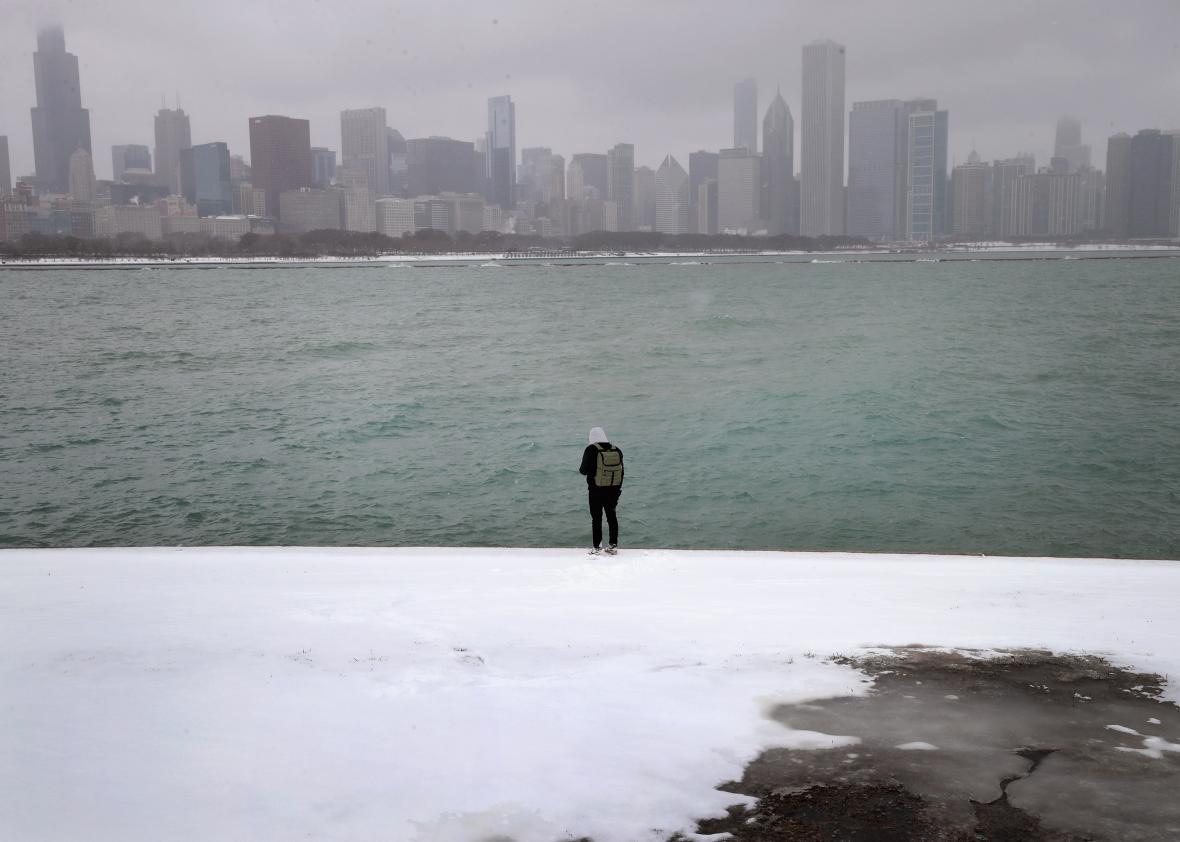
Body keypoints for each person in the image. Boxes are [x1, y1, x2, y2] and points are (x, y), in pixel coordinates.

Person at [579, 426, 624, 554]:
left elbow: (583, 470)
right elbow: (622, 472)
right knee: (612, 517)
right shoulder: (616, 450)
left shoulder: (591, 449)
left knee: (597, 518)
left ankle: (597, 547)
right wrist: (618, 489)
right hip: (613, 490)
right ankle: (613, 546)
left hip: (596, 490)